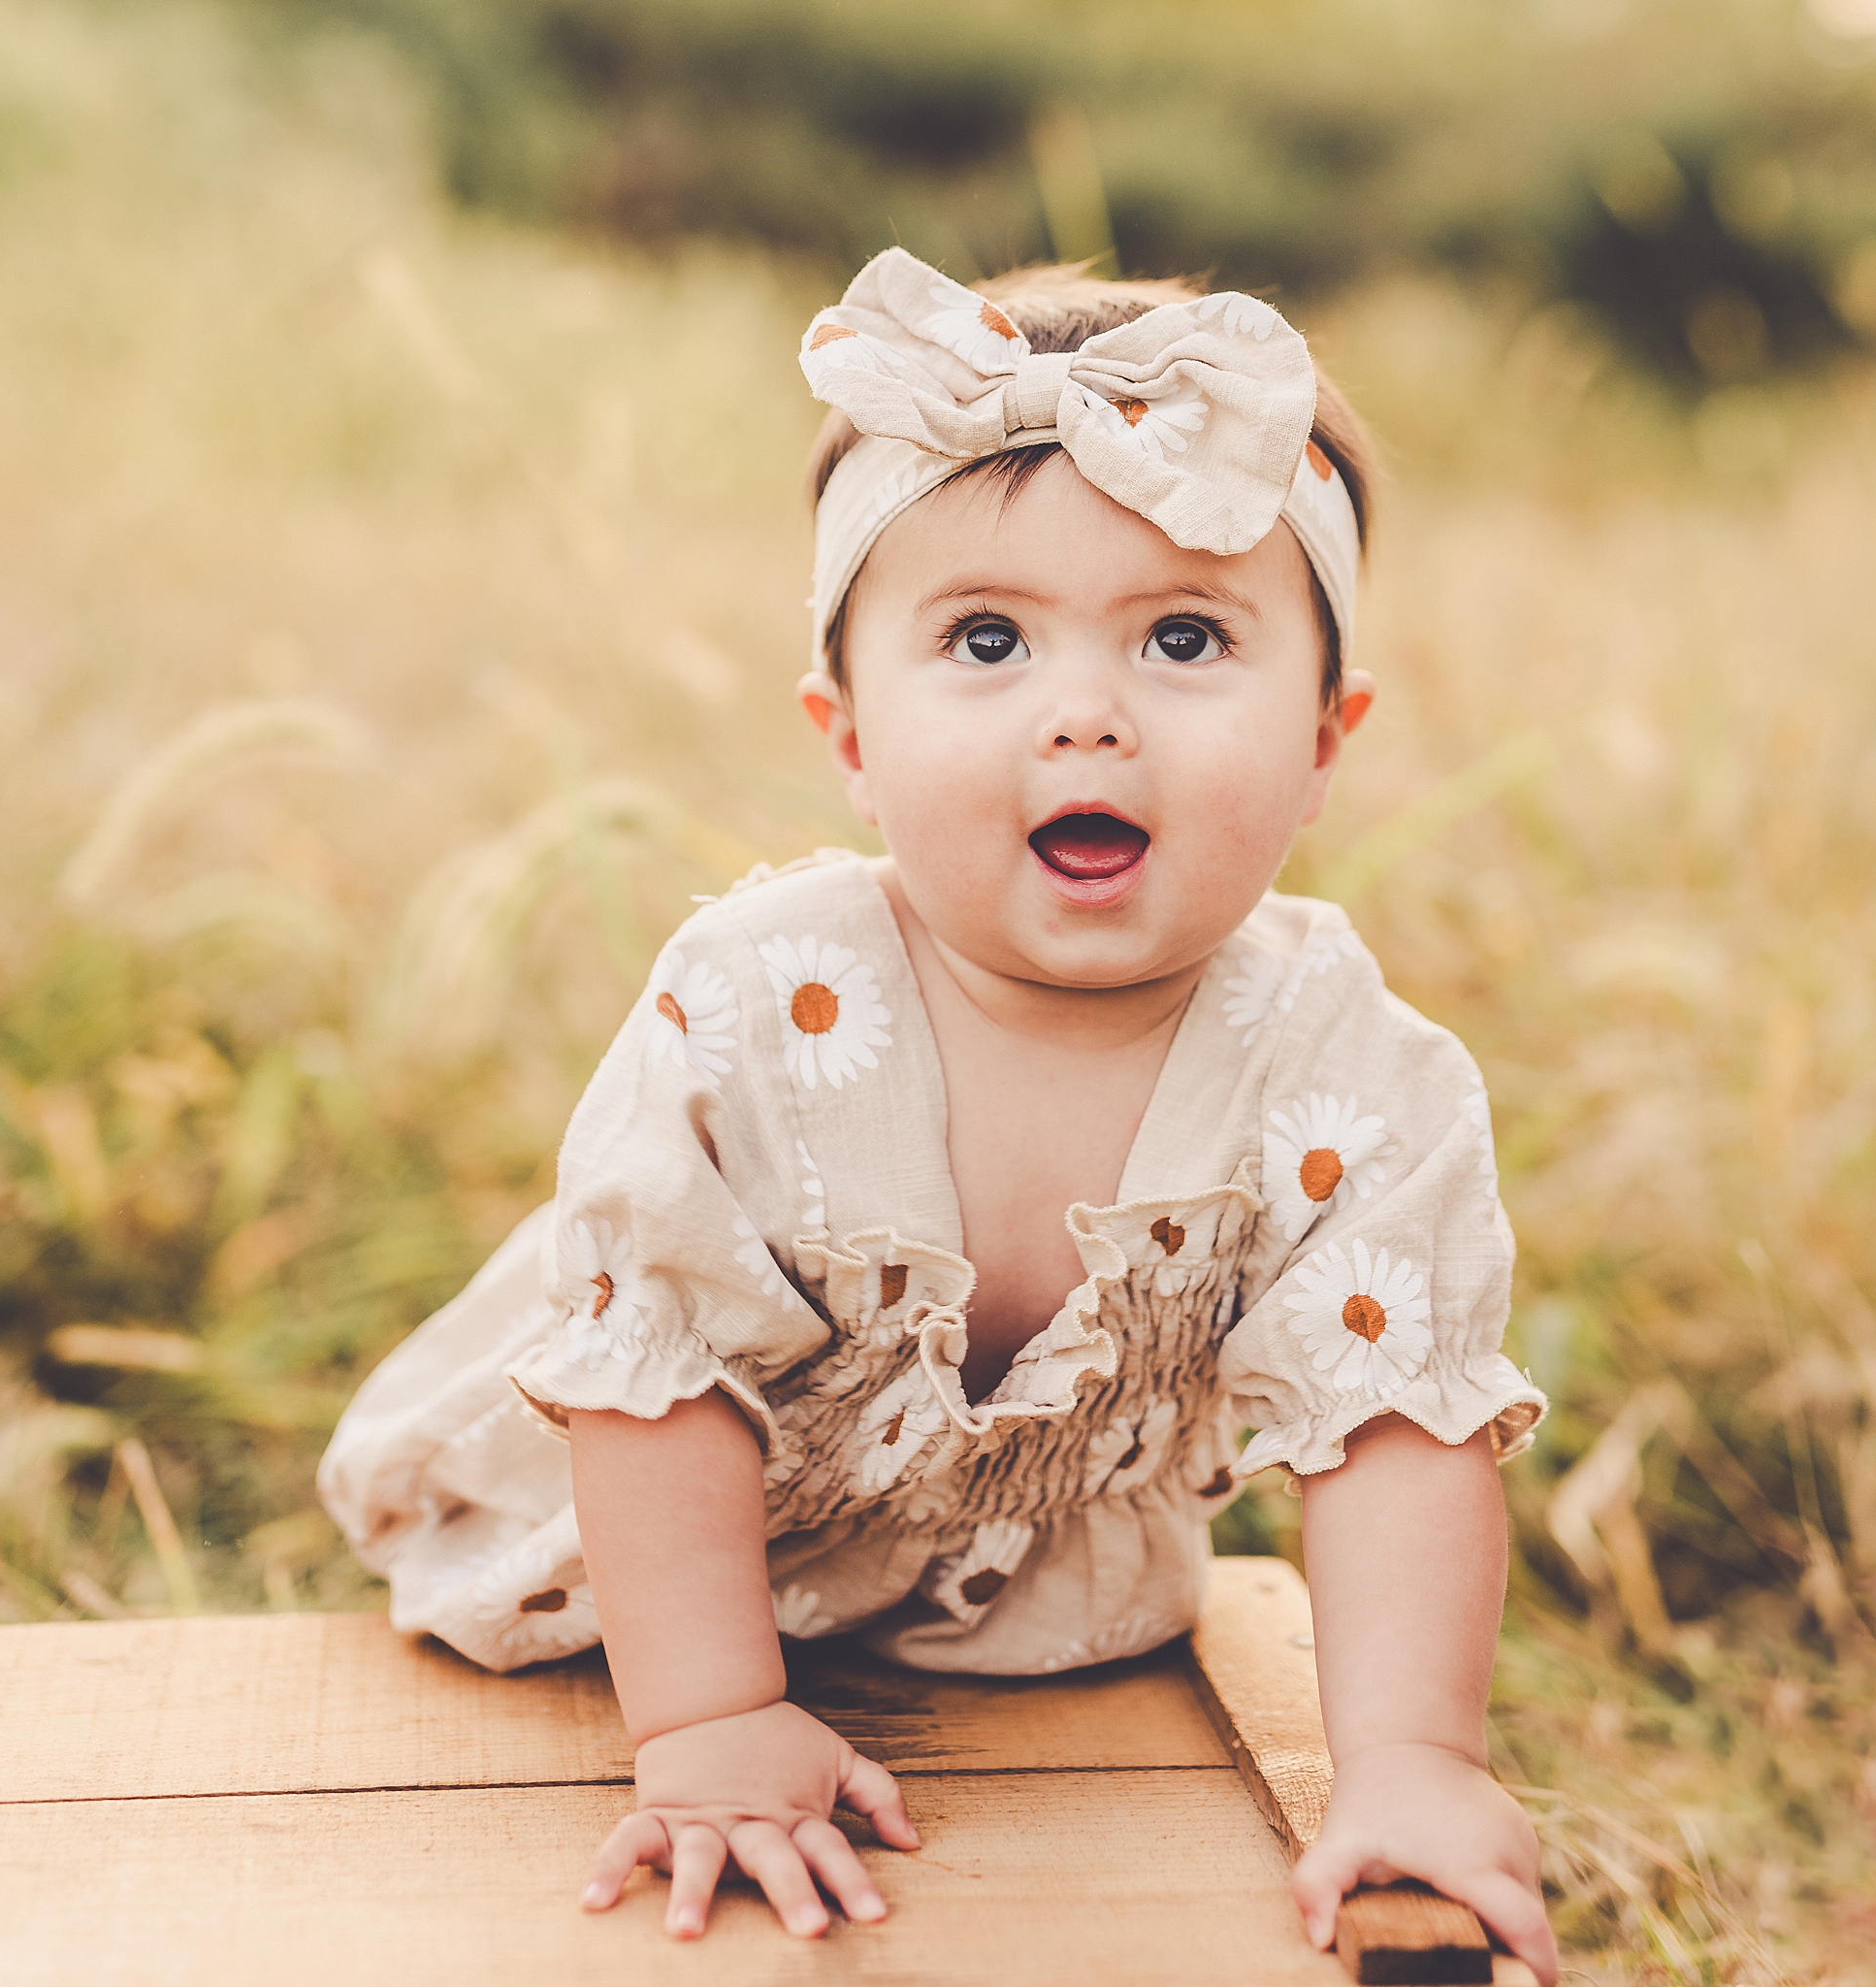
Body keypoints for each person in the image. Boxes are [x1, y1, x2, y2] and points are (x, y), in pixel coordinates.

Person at [318, 247, 1557, 1981]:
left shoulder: (1354, 1067)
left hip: (1025, 1586)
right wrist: (710, 1725)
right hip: (661, 1552)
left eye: (1185, 637)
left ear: (1330, 736)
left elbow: (1394, 1427)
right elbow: (659, 1374)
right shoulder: (756, 999)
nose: (1084, 712)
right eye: (985, 639)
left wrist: (1412, 1761)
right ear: (846, 734)